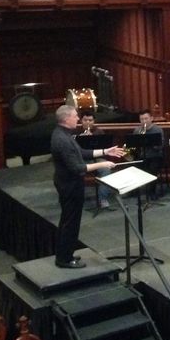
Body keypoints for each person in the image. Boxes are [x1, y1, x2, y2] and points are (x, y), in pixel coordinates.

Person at [51, 105, 124, 269]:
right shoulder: (62, 140)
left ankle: (66, 254)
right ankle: (64, 259)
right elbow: (78, 167)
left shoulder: (64, 134)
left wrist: (107, 150)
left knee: (70, 221)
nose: (78, 119)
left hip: (70, 183)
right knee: (69, 222)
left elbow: (82, 153)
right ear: (66, 118)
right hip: (69, 185)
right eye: (75, 116)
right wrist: (103, 164)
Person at [75, 112, 111, 210]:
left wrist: (92, 139)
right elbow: (73, 150)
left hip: (97, 158)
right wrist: (80, 139)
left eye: (90, 120)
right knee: (76, 171)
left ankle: (102, 199)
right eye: (85, 120)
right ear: (81, 121)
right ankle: (77, 199)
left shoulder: (99, 132)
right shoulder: (76, 132)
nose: (87, 122)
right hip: (82, 159)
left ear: (94, 121)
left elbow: (105, 148)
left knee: (106, 170)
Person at [132, 109, 164, 198]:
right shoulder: (137, 130)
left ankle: (152, 192)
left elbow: (160, 146)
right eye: (142, 119)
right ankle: (134, 191)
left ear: (151, 118)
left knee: (153, 168)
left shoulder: (158, 130)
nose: (144, 121)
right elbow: (133, 146)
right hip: (142, 156)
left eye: (146, 119)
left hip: (155, 156)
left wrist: (150, 142)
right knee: (132, 166)